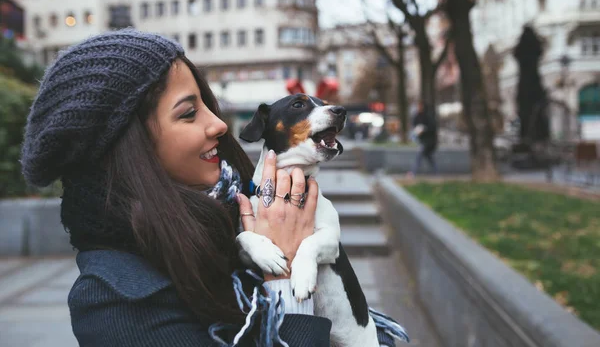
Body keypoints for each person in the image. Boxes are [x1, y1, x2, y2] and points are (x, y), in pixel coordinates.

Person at [20, 29, 394, 347]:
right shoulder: (113, 303)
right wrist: (286, 283)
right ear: (128, 147)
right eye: (188, 112)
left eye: (207, 104)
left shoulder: (230, 215)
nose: (218, 124)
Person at [408, 101, 438, 177]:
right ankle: (436, 172)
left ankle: (413, 172)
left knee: (419, 155)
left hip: (429, 141)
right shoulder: (417, 116)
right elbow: (414, 126)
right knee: (428, 156)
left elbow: (432, 128)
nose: (419, 108)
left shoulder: (428, 116)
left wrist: (424, 130)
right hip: (423, 140)